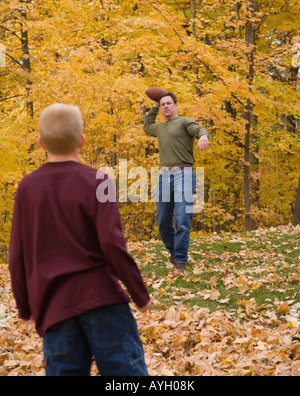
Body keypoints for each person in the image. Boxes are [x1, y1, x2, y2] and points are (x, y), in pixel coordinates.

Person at [9, 103, 151, 376]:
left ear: (40, 142)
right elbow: (111, 242)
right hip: (103, 300)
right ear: (82, 140)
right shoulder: (100, 181)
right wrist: (139, 294)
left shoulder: (27, 187)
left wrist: (24, 307)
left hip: (55, 309)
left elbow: (17, 255)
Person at [144, 92, 209, 273]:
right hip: (164, 176)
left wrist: (204, 137)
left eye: (168, 103)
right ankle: (174, 253)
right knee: (163, 220)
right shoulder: (160, 128)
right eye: (163, 104)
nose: (166, 106)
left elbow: (200, 130)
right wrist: (154, 105)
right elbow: (147, 126)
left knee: (182, 219)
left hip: (184, 174)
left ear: (175, 105)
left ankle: (180, 260)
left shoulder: (184, 122)